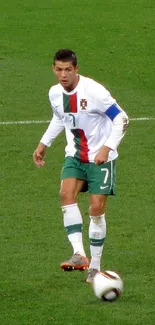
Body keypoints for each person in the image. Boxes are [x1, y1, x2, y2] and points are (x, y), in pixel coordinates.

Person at [33, 48, 129, 284]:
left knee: (96, 210)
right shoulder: (55, 93)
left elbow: (122, 119)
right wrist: (44, 143)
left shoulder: (94, 91)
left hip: (101, 158)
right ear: (53, 69)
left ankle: (95, 267)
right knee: (66, 194)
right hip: (74, 156)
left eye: (68, 69)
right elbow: (60, 117)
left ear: (76, 69)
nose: (63, 74)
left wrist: (106, 148)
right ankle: (79, 254)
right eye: (58, 69)